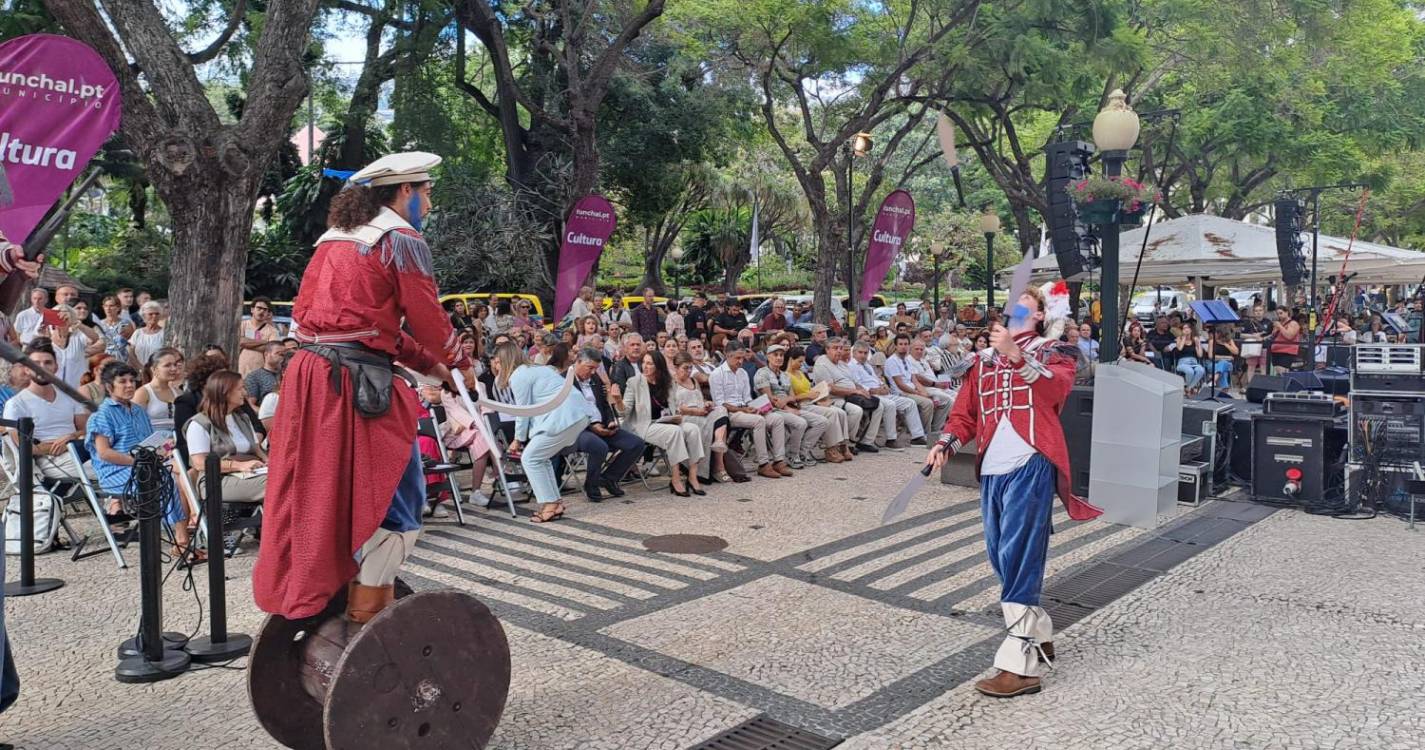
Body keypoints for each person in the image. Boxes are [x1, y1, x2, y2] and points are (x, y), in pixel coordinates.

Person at [253, 152, 472, 624]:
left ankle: (355, 595)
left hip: (312, 380)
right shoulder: (402, 239)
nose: (430, 202)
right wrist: (459, 363)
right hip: (355, 387)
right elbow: (429, 323)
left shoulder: (332, 241)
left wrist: (434, 368)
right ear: (405, 192)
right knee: (401, 498)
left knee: (320, 495)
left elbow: (373, 331)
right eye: (426, 191)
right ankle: (366, 615)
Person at [924, 280, 1102, 699]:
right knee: (1000, 554)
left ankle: (1018, 665)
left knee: (1020, 556)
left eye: (1025, 302)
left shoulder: (1054, 351)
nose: (1015, 307)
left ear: (1040, 315)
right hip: (993, 469)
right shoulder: (982, 360)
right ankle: (1037, 628)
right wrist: (944, 445)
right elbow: (965, 413)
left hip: (1031, 461)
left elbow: (1055, 390)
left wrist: (1015, 354)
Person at [503, 342, 588, 522]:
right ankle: (555, 502)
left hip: (563, 417)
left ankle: (549, 504)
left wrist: (518, 439)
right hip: (576, 414)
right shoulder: (539, 369)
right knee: (541, 458)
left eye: (496, 361)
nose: (495, 366)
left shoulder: (518, 375)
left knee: (530, 458)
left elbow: (523, 411)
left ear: (504, 360)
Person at [185, 371, 268, 554]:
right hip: (216, 480)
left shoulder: (242, 418)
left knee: (289, 478)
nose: (244, 393)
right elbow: (199, 463)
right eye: (240, 389)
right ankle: (277, 536)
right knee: (274, 485)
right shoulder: (199, 424)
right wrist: (239, 466)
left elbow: (257, 449)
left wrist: (270, 463)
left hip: (249, 473)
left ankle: (278, 533)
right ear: (225, 392)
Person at [614, 350, 706, 496]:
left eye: (649, 363)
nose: (645, 366)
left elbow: (673, 407)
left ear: (658, 366)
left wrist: (676, 416)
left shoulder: (668, 381)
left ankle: (692, 476)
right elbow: (623, 412)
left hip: (667, 421)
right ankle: (675, 479)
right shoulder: (634, 382)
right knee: (674, 432)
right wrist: (618, 400)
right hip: (644, 425)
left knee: (693, 429)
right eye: (643, 363)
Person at [560, 348, 643, 501]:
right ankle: (591, 484)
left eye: (595, 369)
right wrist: (592, 426)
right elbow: (567, 412)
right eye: (589, 368)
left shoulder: (595, 378)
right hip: (577, 429)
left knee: (636, 443)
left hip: (601, 425)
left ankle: (609, 478)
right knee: (599, 446)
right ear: (578, 362)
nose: (592, 372)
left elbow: (604, 404)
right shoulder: (563, 380)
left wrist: (610, 420)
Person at [710, 341, 789, 480]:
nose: (741, 361)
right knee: (758, 421)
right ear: (727, 356)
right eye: (737, 358)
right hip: (729, 413)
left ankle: (779, 460)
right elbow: (720, 403)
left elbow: (747, 398)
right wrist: (745, 409)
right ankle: (763, 463)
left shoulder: (743, 373)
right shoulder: (717, 374)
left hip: (744, 409)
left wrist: (758, 407)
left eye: (742, 358)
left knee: (777, 418)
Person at [754, 344, 825, 470]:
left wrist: (791, 405)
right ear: (768, 356)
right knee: (800, 423)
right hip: (772, 410)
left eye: (781, 355)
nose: (779, 358)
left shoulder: (784, 375)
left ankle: (803, 451)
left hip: (789, 407)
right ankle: (792, 455)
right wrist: (788, 408)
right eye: (775, 355)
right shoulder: (762, 373)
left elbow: (792, 397)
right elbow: (769, 398)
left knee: (821, 421)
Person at [812, 337, 886, 454]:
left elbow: (854, 382)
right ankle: (848, 443)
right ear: (827, 349)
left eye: (841, 348)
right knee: (856, 411)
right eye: (835, 348)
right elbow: (831, 389)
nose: (839, 351)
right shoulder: (822, 363)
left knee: (879, 405)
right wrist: (855, 392)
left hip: (851, 396)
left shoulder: (842, 364)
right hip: (833, 399)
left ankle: (866, 442)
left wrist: (862, 390)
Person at [849, 342, 925, 448]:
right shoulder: (851, 366)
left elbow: (876, 379)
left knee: (910, 403)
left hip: (881, 393)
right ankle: (891, 439)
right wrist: (876, 390)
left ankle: (917, 437)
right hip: (867, 395)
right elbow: (857, 385)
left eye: (865, 353)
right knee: (890, 405)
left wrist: (883, 385)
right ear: (853, 353)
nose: (863, 355)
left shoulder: (867, 365)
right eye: (860, 352)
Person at [786, 346, 849, 462]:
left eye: (803, 361)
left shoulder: (800, 372)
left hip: (812, 401)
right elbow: (791, 398)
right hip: (802, 403)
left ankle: (843, 445)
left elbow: (808, 389)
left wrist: (819, 396)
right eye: (799, 361)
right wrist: (807, 395)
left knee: (840, 412)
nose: (801, 364)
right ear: (791, 360)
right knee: (831, 413)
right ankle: (831, 447)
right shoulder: (786, 376)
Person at [884, 334, 939, 439]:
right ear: (895, 346)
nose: (903, 346)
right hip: (901, 393)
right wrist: (919, 394)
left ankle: (925, 432)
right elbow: (900, 384)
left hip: (912, 391)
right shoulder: (892, 361)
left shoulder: (907, 360)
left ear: (909, 346)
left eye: (906, 344)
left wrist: (924, 393)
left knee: (932, 399)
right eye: (900, 344)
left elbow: (915, 380)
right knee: (927, 403)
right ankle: (920, 434)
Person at [134, 347, 183, 432]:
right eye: (167, 365)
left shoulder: (179, 393)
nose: (174, 369)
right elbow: (135, 424)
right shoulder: (143, 393)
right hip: (150, 441)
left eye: (174, 364)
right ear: (154, 369)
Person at [238, 298, 281, 376]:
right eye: (259, 308)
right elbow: (240, 341)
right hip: (241, 371)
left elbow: (271, 350)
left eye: (265, 309)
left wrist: (246, 344)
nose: (262, 311)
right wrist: (264, 342)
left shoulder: (273, 331)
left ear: (268, 313)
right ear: (252, 310)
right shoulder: (242, 325)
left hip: (261, 374)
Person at [242, 342, 285, 409]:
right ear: (266, 354)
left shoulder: (286, 374)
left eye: (284, 355)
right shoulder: (254, 376)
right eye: (279, 354)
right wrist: (266, 415)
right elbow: (250, 406)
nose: (282, 357)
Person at [127, 301, 166, 370]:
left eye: (157, 314)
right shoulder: (138, 333)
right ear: (144, 316)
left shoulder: (164, 333)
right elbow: (130, 353)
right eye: (150, 314)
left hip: (157, 371)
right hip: (138, 371)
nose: (154, 316)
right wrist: (141, 368)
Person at [1174, 321, 1208, 392]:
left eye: (1187, 328)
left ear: (1191, 330)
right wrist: (1183, 338)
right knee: (1190, 372)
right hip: (1183, 362)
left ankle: (1188, 388)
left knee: (1201, 370)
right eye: (1184, 328)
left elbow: (1200, 355)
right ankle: (1191, 389)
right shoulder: (1179, 339)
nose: (1186, 329)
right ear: (1182, 330)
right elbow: (1179, 349)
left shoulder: (1195, 340)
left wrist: (1198, 344)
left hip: (1194, 362)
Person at [1269, 307, 1302, 374]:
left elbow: (1289, 336)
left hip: (1286, 352)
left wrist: (1280, 327)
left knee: (1282, 372)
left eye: (1281, 313)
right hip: (1275, 351)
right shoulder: (1279, 324)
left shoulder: (1293, 323)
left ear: (1287, 312)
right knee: (1276, 371)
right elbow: (1273, 336)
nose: (1279, 315)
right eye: (1277, 314)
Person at [1208, 324, 1238, 395]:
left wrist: (1226, 345)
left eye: (1216, 333)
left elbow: (1236, 352)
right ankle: (1224, 390)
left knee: (1224, 363)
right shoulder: (1212, 341)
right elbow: (1211, 356)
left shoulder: (1229, 341)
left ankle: (1213, 379)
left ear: (1221, 334)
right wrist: (1227, 357)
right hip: (1213, 364)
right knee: (1223, 367)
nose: (1214, 334)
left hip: (1228, 365)